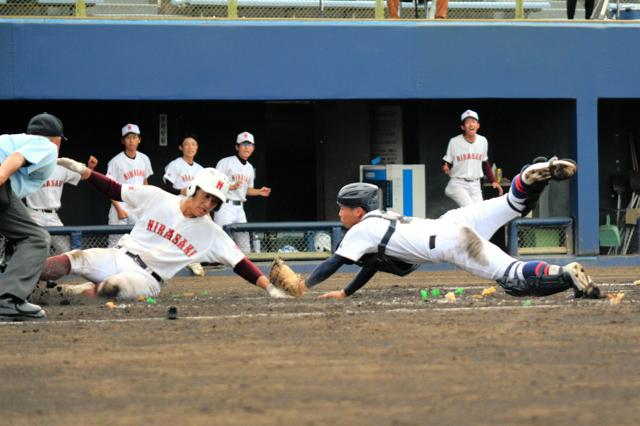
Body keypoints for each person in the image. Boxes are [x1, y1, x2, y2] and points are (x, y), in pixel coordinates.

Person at [290, 156, 601, 300]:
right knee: (513, 204)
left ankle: (564, 273)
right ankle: (529, 175)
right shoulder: (381, 217)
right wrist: (346, 292)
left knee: (515, 278)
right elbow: (369, 265)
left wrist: (303, 287)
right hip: (453, 221)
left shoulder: (359, 231)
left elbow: (334, 262)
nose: (340, 212)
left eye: (343, 207)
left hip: (453, 240)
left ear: (358, 211)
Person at [40, 161, 289, 300]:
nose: (208, 205)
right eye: (207, 197)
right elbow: (117, 190)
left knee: (113, 286)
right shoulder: (158, 197)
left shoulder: (211, 232)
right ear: (194, 188)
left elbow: (241, 263)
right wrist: (86, 173)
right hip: (119, 255)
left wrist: (269, 287)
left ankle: (73, 296)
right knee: (75, 258)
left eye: (215, 202)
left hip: (147, 279)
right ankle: (16, 281)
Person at [0, 113, 65, 321]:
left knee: (21, 235)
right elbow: (15, 160)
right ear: (56, 140)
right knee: (36, 238)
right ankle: (8, 301)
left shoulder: (12, 139)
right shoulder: (46, 146)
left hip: (5, 191)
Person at [24, 156, 98, 254]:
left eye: (58, 142)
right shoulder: (31, 166)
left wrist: (90, 167)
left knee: (66, 251)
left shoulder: (61, 166)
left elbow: (83, 176)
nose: (56, 145)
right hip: (34, 214)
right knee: (33, 251)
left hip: (53, 216)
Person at [214, 131, 271, 253]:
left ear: (253, 148)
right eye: (243, 144)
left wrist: (259, 192)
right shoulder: (225, 162)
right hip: (225, 206)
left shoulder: (249, 167)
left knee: (245, 247)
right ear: (237, 147)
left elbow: (246, 190)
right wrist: (230, 186)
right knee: (221, 243)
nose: (246, 147)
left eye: (249, 144)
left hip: (240, 208)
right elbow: (214, 183)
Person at [162, 134, 205, 276]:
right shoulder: (175, 164)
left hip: (195, 205)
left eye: (193, 144)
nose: (190, 147)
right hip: (178, 204)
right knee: (176, 235)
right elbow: (166, 187)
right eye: (187, 144)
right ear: (181, 147)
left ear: (197, 147)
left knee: (197, 232)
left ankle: (194, 260)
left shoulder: (200, 169)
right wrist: (181, 190)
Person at [442, 109, 503, 207]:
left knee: (480, 212)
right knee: (471, 209)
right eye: (468, 122)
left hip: (475, 184)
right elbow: (447, 162)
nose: (471, 125)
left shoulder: (483, 141)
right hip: (458, 183)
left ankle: (458, 222)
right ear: (462, 127)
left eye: (473, 122)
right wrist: (446, 167)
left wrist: (493, 180)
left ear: (478, 125)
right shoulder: (454, 141)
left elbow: (484, 162)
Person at [106, 123, 153, 247]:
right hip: (120, 204)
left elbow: (145, 183)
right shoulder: (115, 161)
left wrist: (146, 205)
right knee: (116, 243)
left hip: (137, 205)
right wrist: (118, 209)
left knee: (138, 241)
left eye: (134, 137)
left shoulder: (144, 159)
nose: (131, 141)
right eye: (128, 137)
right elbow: (109, 188)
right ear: (123, 141)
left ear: (139, 139)